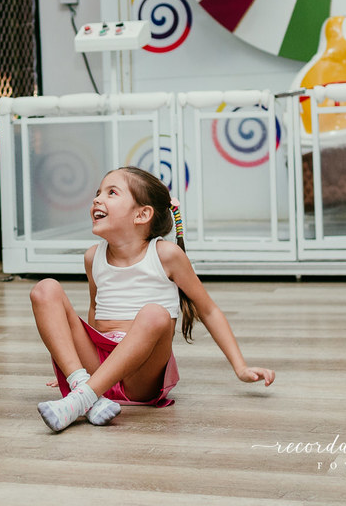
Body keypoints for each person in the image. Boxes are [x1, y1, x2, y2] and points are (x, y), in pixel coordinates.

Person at [29, 166, 274, 432]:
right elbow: (95, 312)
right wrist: (75, 369)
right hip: (100, 363)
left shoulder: (165, 254)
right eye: (97, 193)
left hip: (141, 375)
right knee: (45, 289)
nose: (97, 199)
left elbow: (209, 310)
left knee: (155, 313)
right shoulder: (92, 257)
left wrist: (240, 367)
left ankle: (83, 396)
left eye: (111, 192)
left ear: (142, 214)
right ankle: (84, 389)